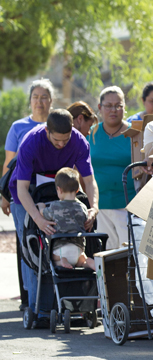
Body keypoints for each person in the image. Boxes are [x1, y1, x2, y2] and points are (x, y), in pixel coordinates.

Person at [9, 109, 99, 327]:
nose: (61, 145)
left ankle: (74, 305)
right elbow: (21, 190)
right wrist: (38, 219)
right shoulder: (31, 142)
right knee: (33, 243)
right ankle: (38, 308)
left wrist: (93, 207)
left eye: (65, 140)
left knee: (69, 239)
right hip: (29, 191)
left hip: (62, 189)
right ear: (47, 131)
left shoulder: (78, 142)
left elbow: (89, 181)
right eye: (57, 140)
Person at [2, 79, 55, 311]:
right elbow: (8, 164)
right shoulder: (18, 127)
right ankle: (30, 302)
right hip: (21, 193)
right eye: (35, 97)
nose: (40, 101)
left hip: (52, 193)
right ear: (30, 100)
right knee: (27, 246)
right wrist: (4, 194)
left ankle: (52, 301)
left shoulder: (59, 124)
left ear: (51, 101)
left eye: (44, 97)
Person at [88, 86, 136, 250]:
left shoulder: (135, 133)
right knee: (107, 258)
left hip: (128, 206)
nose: (113, 110)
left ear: (124, 108)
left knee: (130, 256)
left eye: (118, 105)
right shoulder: (91, 134)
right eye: (108, 105)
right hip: (100, 207)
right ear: (100, 108)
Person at [37, 167, 94, 270]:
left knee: (51, 261)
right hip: (78, 250)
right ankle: (88, 262)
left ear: (59, 189)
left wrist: (41, 206)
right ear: (77, 190)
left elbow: (43, 213)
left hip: (60, 249)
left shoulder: (55, 207)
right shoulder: (82, 207)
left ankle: (62, 261)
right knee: (81, 261)